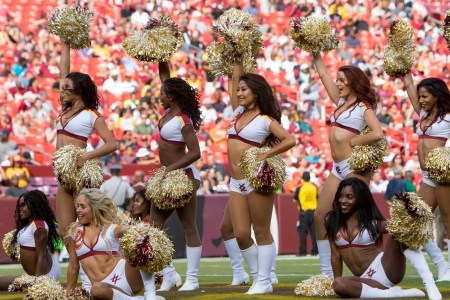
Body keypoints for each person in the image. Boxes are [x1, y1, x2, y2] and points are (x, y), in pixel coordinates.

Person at [219, 58, 296, 294]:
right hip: (236, 181)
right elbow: (234, 80)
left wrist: (266, 155)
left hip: (255, 180)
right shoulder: (237, 113)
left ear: (256, 93)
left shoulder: (265, 120)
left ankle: (263, 280)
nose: (239, 93)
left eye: (244, 90)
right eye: (239, 89)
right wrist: (237, 57)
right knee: (241, 234)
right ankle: (260, 278)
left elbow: (290, 140)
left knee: (261, 231)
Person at [312, 51, 384, 277]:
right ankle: (326, 273)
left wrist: (355, 140)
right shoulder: (341, 102)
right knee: (320, 215)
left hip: (354, 167)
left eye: (342, 80)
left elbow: (378, 133)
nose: (337, 83)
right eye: (338, 79)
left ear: (353, 83)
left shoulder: (363, 108)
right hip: (338, 167)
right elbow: (323, 74)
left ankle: (375, 266)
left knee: (361, 219)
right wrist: (316, 52)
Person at [325, 178, 441, 299]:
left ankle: (429, 283)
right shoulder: (332, 221)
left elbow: (395, 224)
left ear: (360, 199)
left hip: (386, 269)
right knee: (338, 284)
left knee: (400, 230)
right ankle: (391, 293)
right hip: (367, 280)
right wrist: (335, 282)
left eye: (349, 197)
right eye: (341, 196)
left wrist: (410, 215)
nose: (343, 201)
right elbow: (335, 255)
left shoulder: (372, 223)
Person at [151, 61, 203, 292]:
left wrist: (169, 170)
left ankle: (192, 279)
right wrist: (161, 56)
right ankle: (170, 274)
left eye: (162, 94)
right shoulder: (169, 111)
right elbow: (165, 78)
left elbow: (195, 153)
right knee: (154, 226)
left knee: (188, 226)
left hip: (183, 178)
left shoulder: (184, 121)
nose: (159, 96)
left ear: (171, 96)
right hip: (167, 178)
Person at [56, 43, 117, 237]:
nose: (62, 91)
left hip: (81, 173)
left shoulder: (92, 115)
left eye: (67, 89)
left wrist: (86, 157)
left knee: (85, 227)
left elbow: (112, 144)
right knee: (65, 229)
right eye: (63, 88)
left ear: (79, 92)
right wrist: (65, 44)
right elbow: (63, 72)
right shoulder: (65, 109)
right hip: (63, 174)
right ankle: (75, 267)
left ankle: (93, 265)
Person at [65, 188, 164, 300]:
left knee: (141, 240)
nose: (78, 210)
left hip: (125, 278)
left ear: (94, 208)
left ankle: (150, 293)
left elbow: (125, 230)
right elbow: (73, 266)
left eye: (83, 207)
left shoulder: (110, 228)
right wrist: (69, 294)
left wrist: (131, 230)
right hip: (100, 287)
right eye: (77, 206)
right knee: (97, 290)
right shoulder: (74, 233)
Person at [403, 74, 450, 281]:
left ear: (437, 96)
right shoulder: (423, 114)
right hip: (428, 176)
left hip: (444, 175)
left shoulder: (448, 116)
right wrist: (403, 67)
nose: (421, 100)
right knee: (417, 221)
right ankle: (442, 265)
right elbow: (408, 85)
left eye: (425, 96)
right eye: (420, 96)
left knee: (448, 221)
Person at [0, 190, 61, 290]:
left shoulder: (39, 225)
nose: (20, 208)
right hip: (35, 275)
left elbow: (42, 255)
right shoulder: (29, 224)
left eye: (23, 205)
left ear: (33, 205)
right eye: (19, 205)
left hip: (45, 276)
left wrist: (38, 284)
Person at [293, 171, 318, 256]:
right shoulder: (314, 187)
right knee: (314, 233)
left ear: (303, 178)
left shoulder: (299, 188)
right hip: (313, 212)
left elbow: (295, 199)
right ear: (309, 178)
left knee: (303, 232)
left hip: (304, 213)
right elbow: (316, 197)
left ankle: (303, 251)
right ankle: (315, 251)